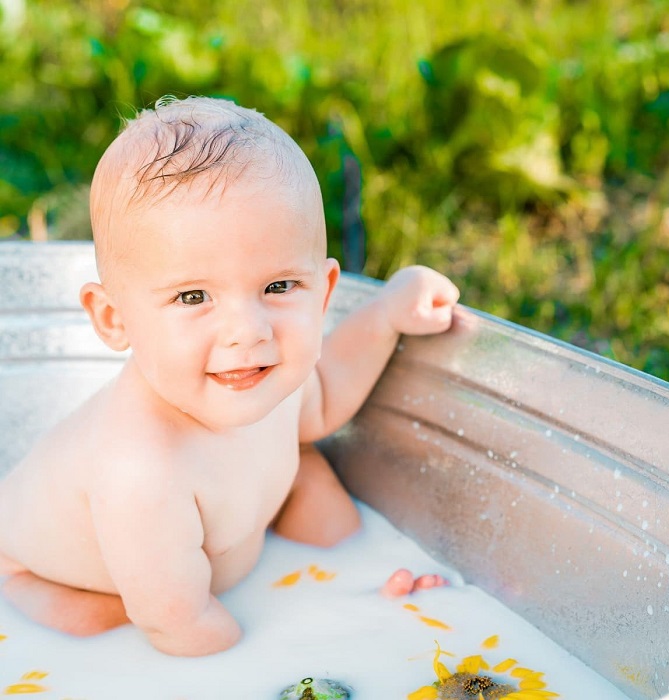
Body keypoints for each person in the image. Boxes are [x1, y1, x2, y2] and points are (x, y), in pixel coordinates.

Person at [0, 96, 460, 657]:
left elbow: (324, 400)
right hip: (71, 574)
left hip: (230, 523)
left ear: (325, 293)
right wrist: (308, 651)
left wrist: (389, 313)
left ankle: (353, 569)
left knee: (324, 504)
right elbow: (181, 625)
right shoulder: (141, 471)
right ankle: (19, 584)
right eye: (194, 296)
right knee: (99, 624)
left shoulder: (259, 371)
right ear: (114, 319)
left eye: (279, 287)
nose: (248, 331)